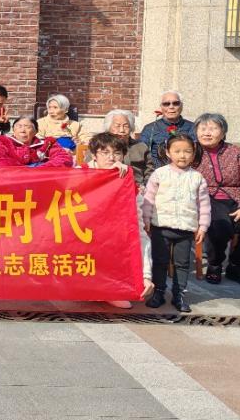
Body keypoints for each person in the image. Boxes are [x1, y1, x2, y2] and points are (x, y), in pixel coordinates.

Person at [81, 133, 154, 309]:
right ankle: (88, 287)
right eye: (105, 152)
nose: (111, 158)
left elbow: (138, 230)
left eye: (117, 153)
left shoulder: (127, 181)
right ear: (94, 155)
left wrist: (145, 275)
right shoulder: (80, 173)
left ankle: (108, 290)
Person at [194, 112, 240, 288]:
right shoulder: (192, 151)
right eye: (202, 129)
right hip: (207, 198)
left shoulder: (235, 152)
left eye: (213, 128)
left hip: (238, 199)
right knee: (218, 226)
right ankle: (215, 264)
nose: (207, 133)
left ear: (223, 133)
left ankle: (236, 266)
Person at [141, 133, 209, 312]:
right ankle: (159, 292)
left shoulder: (197, 177)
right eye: (177, 151)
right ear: (168, 152)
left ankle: (179, 294)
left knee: (182, 263)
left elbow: (203, 204)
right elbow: (149, 198)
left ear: (193, 153)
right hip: (161, 226)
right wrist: (146, 219)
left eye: (187, 151)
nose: (182, 155)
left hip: (185, 228)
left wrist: (203, 226)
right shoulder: (159, 174)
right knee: (160, 261)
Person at [0, 116, 73, 168]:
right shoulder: (3, 141)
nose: (23, 130)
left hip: (39, 181)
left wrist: (38, 169)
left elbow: (64, 159)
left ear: (35, 131)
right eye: (19, 126)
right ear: (13, 130)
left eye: (27, 127)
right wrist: (25, 169)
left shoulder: (48, 143)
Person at [139, 90, 195, 170]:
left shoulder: (193, 127)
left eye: (175, 103)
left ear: (181, 106)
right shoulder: (150, 128)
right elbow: (141, 154)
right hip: (157, 173)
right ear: (161, 107)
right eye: (166, 104)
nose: (171, 107)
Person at [103, 109, 150, 186]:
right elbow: (90, 169)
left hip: (137, 187)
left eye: (126, 126)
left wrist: (146, 186)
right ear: (108, 128)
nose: (122, 130)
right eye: (117, 126)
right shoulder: (99, 146)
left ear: (131, 128)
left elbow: (150, 171)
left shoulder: (141, 147)